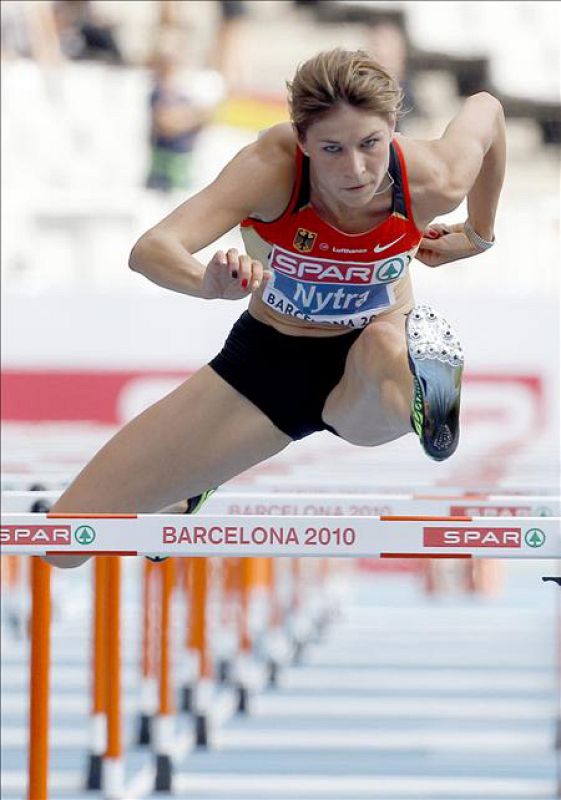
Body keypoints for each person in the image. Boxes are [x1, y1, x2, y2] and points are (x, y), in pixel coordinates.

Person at [46, 49, 505, 568]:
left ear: (393, 127)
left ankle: (429, 410)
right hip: (265, 367)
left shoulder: (433, 179)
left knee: (384, 343)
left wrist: (479, 233)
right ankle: (190, 485)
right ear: (302, 140)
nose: (355, 169)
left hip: (367, 369)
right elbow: (151, 249)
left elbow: (487, 107)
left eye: (370, 144)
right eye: (332, 148)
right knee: (66, 543)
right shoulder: (269, 169)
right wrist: (207, 283)